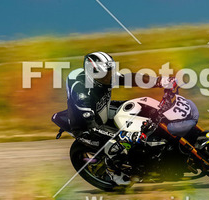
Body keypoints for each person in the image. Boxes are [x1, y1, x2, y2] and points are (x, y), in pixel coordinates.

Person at [63, 52, 197, 185]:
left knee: (143, 108)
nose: (109, 78)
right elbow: (93, 127)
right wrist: (123, 135)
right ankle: (113, 172)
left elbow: (129, 78)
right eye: (105, 76)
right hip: (86, 127)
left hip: (102, 108)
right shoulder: (82, 95)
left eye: (110, 73)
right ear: (91, 74)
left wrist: (159, 81)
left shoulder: (102, 76)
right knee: (118, 144)